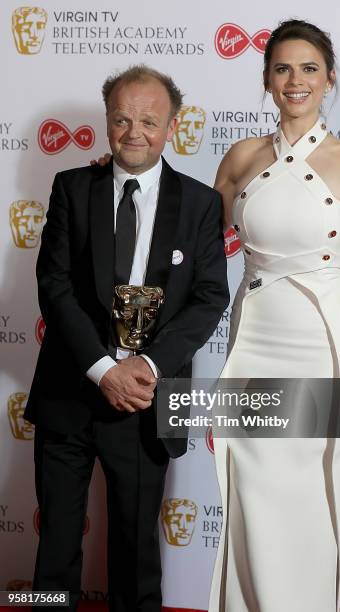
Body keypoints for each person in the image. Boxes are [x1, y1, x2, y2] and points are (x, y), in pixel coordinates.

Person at [25, 64, 229, 612]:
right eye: (121, 120)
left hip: (146, 400)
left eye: (148, 120)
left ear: (172, 126)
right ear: (107, 123)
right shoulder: (72, 186)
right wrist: (102, 368)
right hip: (71, 391)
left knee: (137, 555)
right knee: (55, 551)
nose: (133, 132)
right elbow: (55, 285)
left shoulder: (202, 203)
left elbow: (210, 297)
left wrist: (147, 369)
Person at [208, 19, 340, 612]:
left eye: (309, 68)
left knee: (311, 487)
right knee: (252, 486)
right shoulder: (241, 158)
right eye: (283, 68)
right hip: (253, 334)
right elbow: (197, 242)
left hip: (322, 339)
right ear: (266, 79)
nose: (296, 80)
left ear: (329, 77)